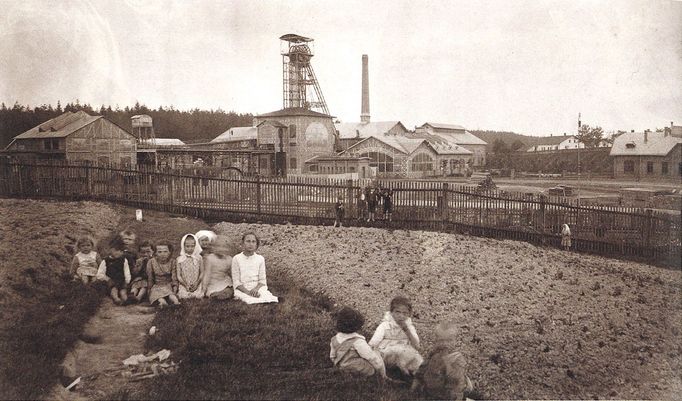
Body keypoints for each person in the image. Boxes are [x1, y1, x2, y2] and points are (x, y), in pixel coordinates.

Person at [411, 321, 473, 400]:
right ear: (436, 340)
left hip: (450, 393)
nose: (445, 344)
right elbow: (423, 367)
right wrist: (416, 381)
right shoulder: (434, 353)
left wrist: (447, 362)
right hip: (431, 390)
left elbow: (455, 380)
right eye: (441, 340)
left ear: (456, 341)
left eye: (449, 340)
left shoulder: (457, 358)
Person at [369, 296, 423, 378]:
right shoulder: (385, 325)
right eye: (397, 312)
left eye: (405, 313)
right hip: (387, 353)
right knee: (398, 351)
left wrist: (406, 330)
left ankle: (417, 377)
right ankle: (403, 373)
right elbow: (374, 342)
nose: (401, 316)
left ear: (409, 314)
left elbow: (416, 345)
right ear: (391, 312)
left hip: (405, 353)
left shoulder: (409, 326)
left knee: (417, 359)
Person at [330, 307, 388, 379]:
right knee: (375, 353)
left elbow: (332, 356)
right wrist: (379, 366)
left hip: (342, 366)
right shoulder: (358, 341)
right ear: (357, 326)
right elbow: (370, 357)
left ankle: (345, 373)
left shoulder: (335, 339)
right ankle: (384, 377)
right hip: (357, 368)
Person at [231, 232, 278, 304]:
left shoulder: (260, 259)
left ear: (256, 245)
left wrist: (255, 289)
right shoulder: (236, 258)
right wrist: (248, 292)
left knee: (266, 296)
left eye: (253, 241)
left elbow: (262, 280)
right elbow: (236, 281)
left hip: (257, 287)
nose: (251, 244)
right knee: (248, 299)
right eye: (248, 241)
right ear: (243, 243)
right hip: (243, 288)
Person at [96, 237, 131, 305]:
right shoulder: (106, 261)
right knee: (114, 290)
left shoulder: (124, 260)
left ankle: (125, 300)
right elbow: (100, 274)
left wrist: (127, 281)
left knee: (123, 291)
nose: (119, 252)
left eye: (121, 251)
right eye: (116, 250)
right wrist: (107, 279)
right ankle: (116, 299)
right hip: (111, 281)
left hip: (121, 280)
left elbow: (127, 271)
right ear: (111, 250)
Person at [146, 241, 180, 308]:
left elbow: (174, 278)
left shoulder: (173, 262)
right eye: (159, 252)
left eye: (165, 251)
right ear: (155, 253)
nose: (162, 254)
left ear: (169, 252)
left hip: (168, 285)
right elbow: (150, 277)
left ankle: (176, 303)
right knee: (158, 297)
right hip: (157, 285)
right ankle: (163, 303)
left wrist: (175, 289)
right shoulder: (151, 262)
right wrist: (149, 289)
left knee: (171, 296)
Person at [202, 235, 234, 300]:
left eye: (224, 247)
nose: (221, 249)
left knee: (229, 289)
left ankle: (226, 293)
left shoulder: (229, 259)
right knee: (214, 292)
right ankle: (217, 294)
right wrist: (203, 289)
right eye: (218, 246)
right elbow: (207, 275)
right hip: (213, 282)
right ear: (214, 247)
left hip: (224, 281)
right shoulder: (210, 258)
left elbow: (232, 273)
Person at [176, 234, 204, 299]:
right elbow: (179, 275)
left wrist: (197, 283)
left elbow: (202, 272)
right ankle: (186, 290)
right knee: (184, 296)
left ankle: (196, 290)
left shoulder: (199, 258)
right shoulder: (179, 259)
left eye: (192, 246)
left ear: (196, 246)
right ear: (183, 246)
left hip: (196, 282)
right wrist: (185, 285)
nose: (190, 249)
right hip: (184, 283)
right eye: (187, 246)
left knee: (198, 296)